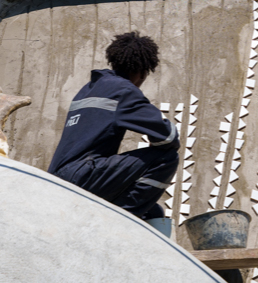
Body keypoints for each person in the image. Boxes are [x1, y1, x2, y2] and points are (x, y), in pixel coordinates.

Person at [48, 31, 179, 221]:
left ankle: (123, 214)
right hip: (83, 175)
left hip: (58, 176)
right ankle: (120, 221)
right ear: (143, 72)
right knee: (166, 158)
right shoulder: (123, 91)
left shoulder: (88, 89)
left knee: (153, 212)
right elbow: (168, 137)